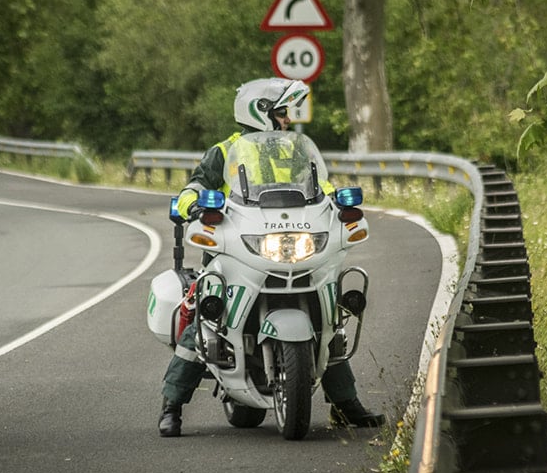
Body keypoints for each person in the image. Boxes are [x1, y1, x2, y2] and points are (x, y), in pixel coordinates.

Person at [159, 78, 386, 437]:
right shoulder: (224, 151)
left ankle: (346, 406)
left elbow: (322, 187)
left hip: (287, 241)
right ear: (260, 113)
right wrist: (191, 205)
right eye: (281, 113)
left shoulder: (295, 151)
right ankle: (171, 406)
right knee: (204, 317)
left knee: (329, 321)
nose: (287, 120)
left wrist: (338, 201)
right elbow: (196, 186)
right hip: (236, 246)